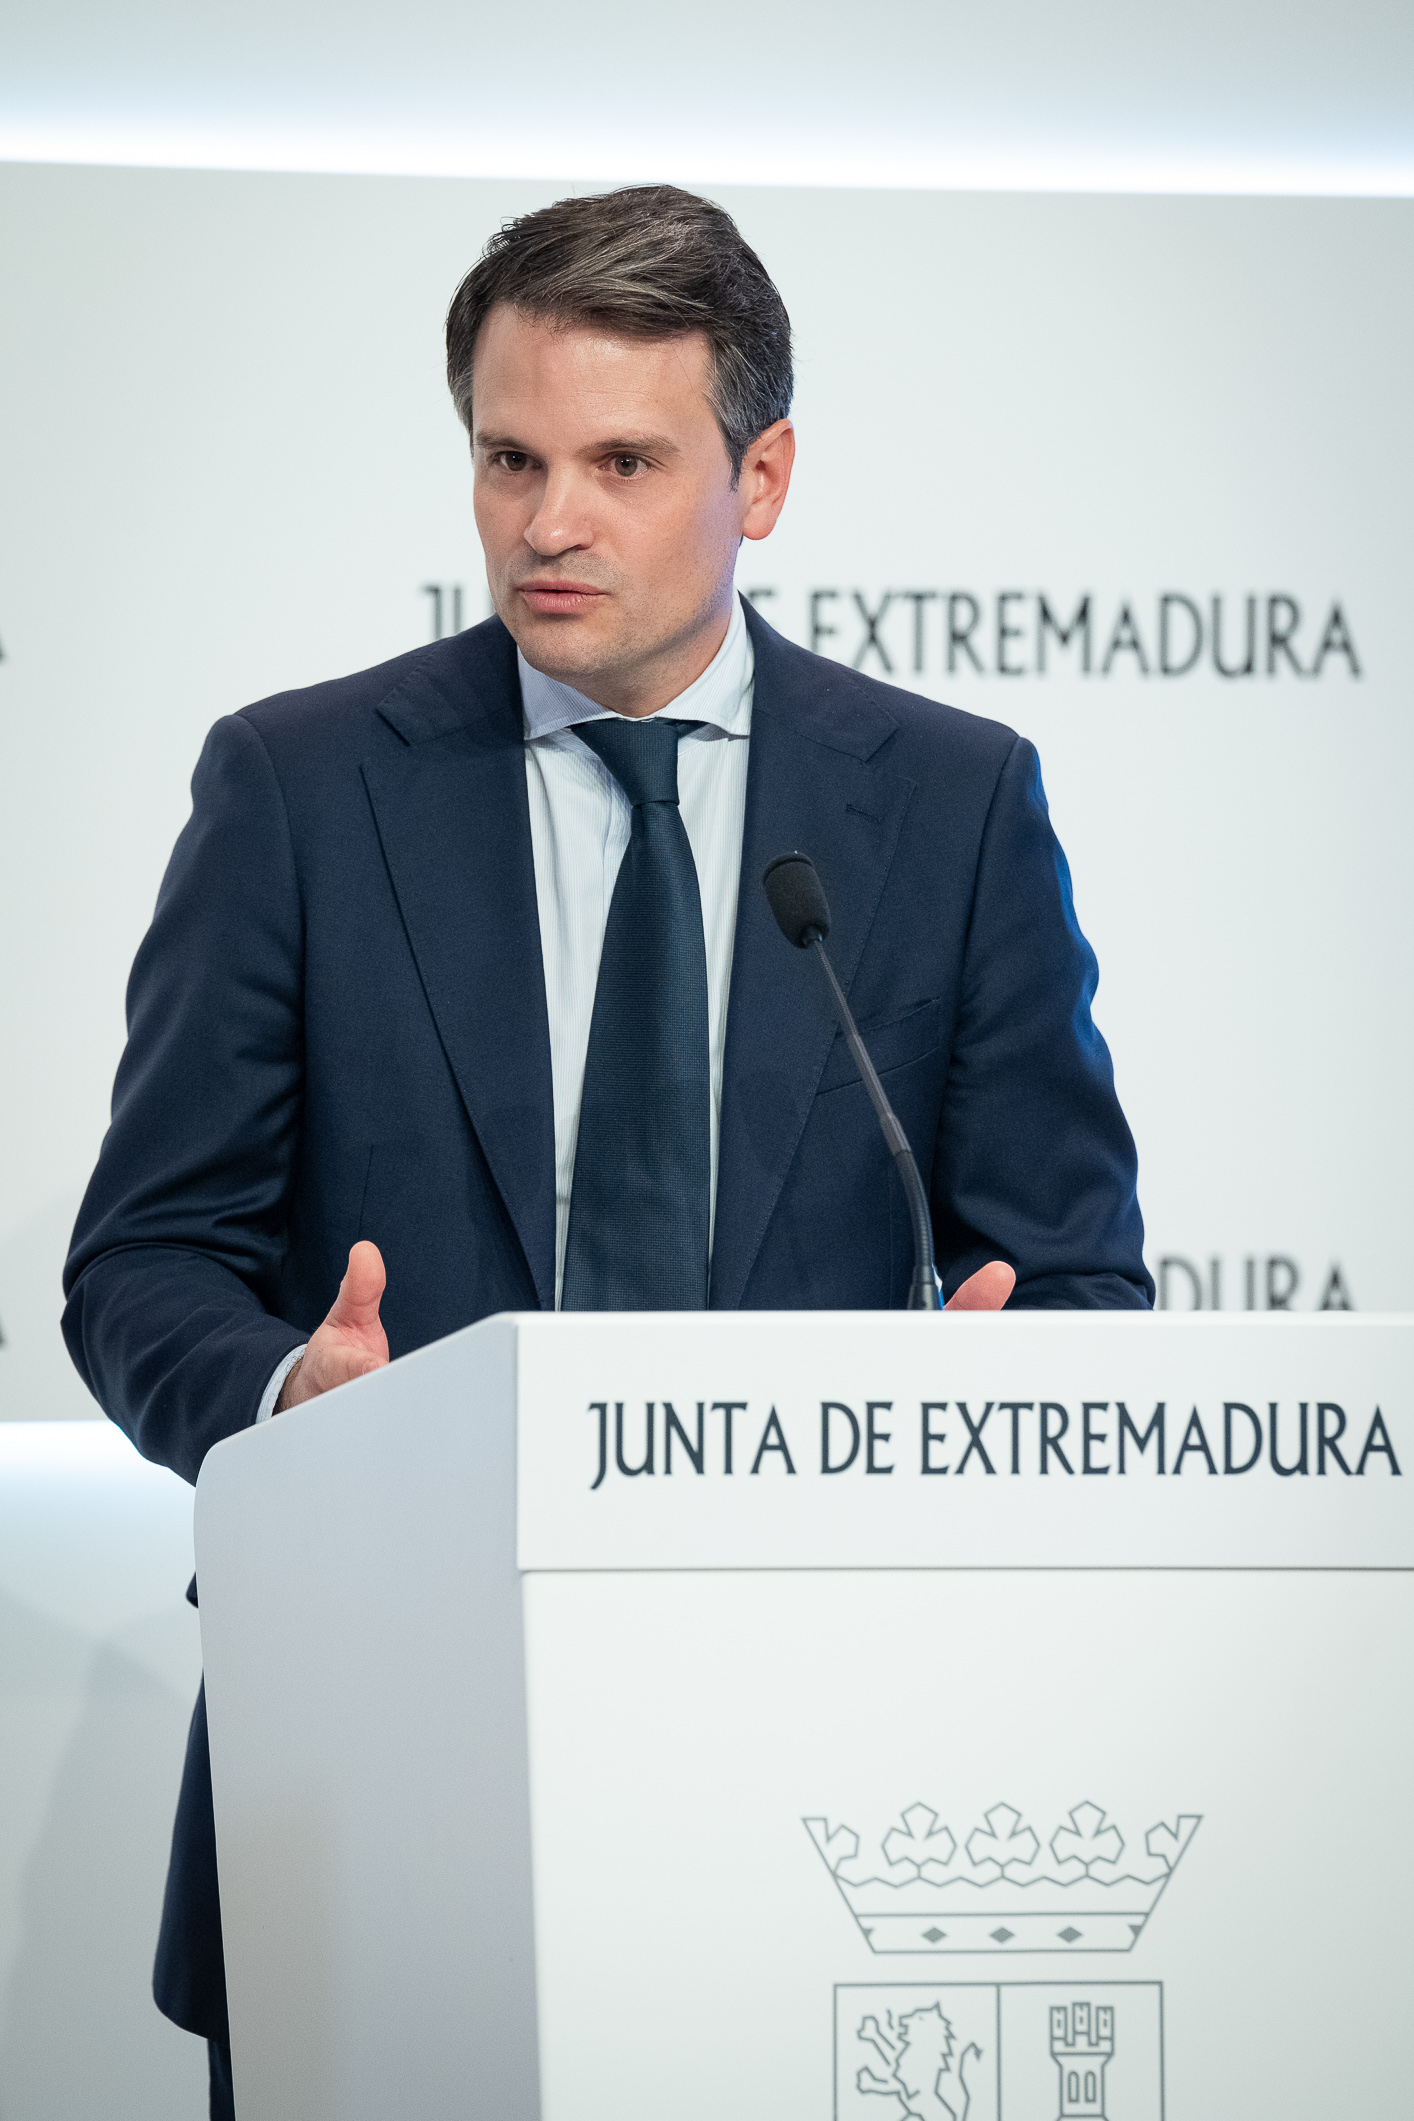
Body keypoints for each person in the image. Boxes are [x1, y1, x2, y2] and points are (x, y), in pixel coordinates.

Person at [63, 184, 1151, 2117]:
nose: (547, 521)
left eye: (623, 461)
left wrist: (999, 1416)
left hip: (832, 1777)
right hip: (382, 1762)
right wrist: (286, 1401)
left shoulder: (956, 803)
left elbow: (1067, 1280)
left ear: (766, 473)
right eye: (508, 456)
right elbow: (140, 1257)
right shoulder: (300, 789)